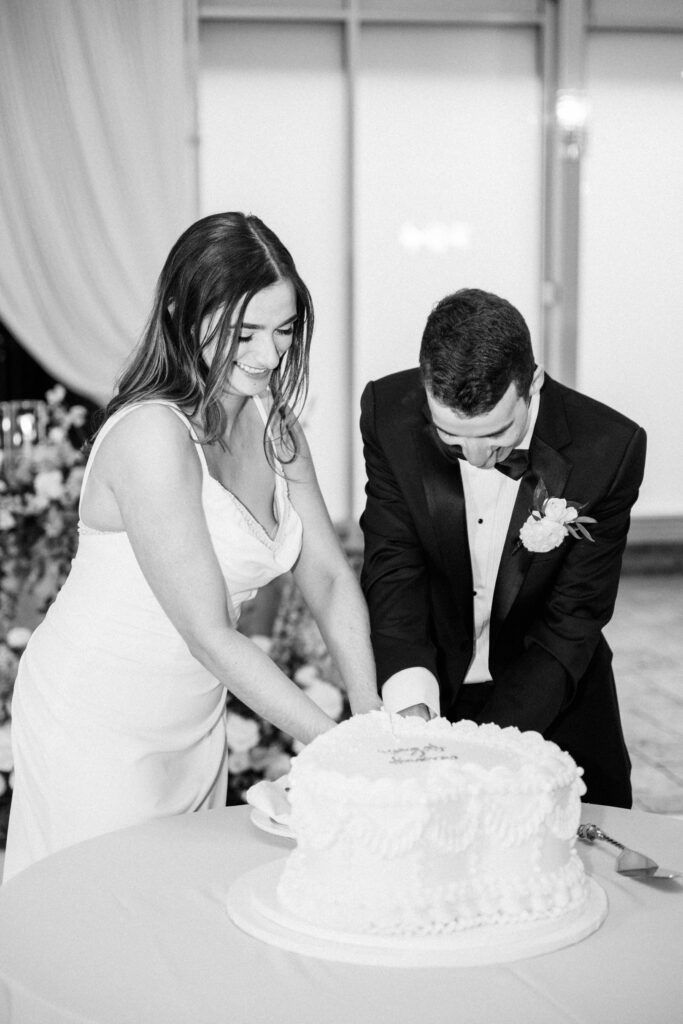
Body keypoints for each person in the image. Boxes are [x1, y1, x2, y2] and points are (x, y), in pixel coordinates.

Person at [4, 212, 380, 881]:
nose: (268, 356)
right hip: (95, 718)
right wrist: (338, 746)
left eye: (284, 330)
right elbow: (208, 632)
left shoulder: (274, 420)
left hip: (195, 710)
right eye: (244, 333)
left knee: (179, 912)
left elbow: (323, 572)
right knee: (104, 913)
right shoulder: (152, 435)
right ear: (182, 312)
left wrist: (372, 715)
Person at [360, 287, 646, 808]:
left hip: (553, 705)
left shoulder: (608, 447)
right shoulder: (388, 413)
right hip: (432, 691)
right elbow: (393, 568)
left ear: (532, 382)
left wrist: (481, 757)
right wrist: (410, 709)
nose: (475, 458)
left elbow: (573, 620)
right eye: (451, 436)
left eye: (495, 435)